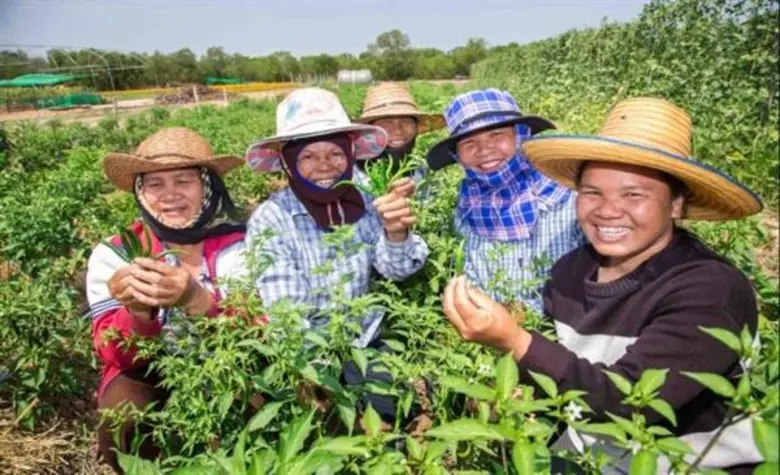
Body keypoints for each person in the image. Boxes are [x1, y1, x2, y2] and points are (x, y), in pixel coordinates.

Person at [441, 97, 765, 473]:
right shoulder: (569, 272)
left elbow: (628, 402)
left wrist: (514, 341)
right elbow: (564, 370)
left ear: (676, 204)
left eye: (634, 194)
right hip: (590, 456)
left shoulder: (710, 289)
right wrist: (516, 388)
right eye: (592, 193)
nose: (608, 210)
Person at [244, 87, 429, 423]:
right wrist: (315, 380)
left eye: (335, 153)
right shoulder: (272, 219)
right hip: (309, 353)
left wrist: (396, 233)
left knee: (393, 418)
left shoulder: (365, 196)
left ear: (350, 153)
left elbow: (397, 271)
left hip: (365, 340)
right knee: (328, 426)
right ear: (288, 162)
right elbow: (287, 315)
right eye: (308, 157)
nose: (324, 166)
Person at [86, 127, 247, 473]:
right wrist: (138, 311)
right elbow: (112, 352)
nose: (169, 194)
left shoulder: (241, 243)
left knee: (260, 396)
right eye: (155, 184)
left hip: (232, 363)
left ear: (207, 186)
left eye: (183, 181)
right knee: (123, 409)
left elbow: (261, 331)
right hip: (152, 372)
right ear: (140, 192)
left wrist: (197, 299)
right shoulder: (116, 253)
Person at [426, 88, 584, 311]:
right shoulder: (463, 208)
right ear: (457, 155)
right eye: (469, 143)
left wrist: (518, 318)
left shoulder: (568, 200)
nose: (484, 150)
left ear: (520, 137)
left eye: (497, 135)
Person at [354, 82, 445, 184]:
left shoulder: (422, 172)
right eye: (387, 122)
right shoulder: (351, 175)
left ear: (416, 128)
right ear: (369, 129)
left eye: (406, 121)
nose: (398, 130)